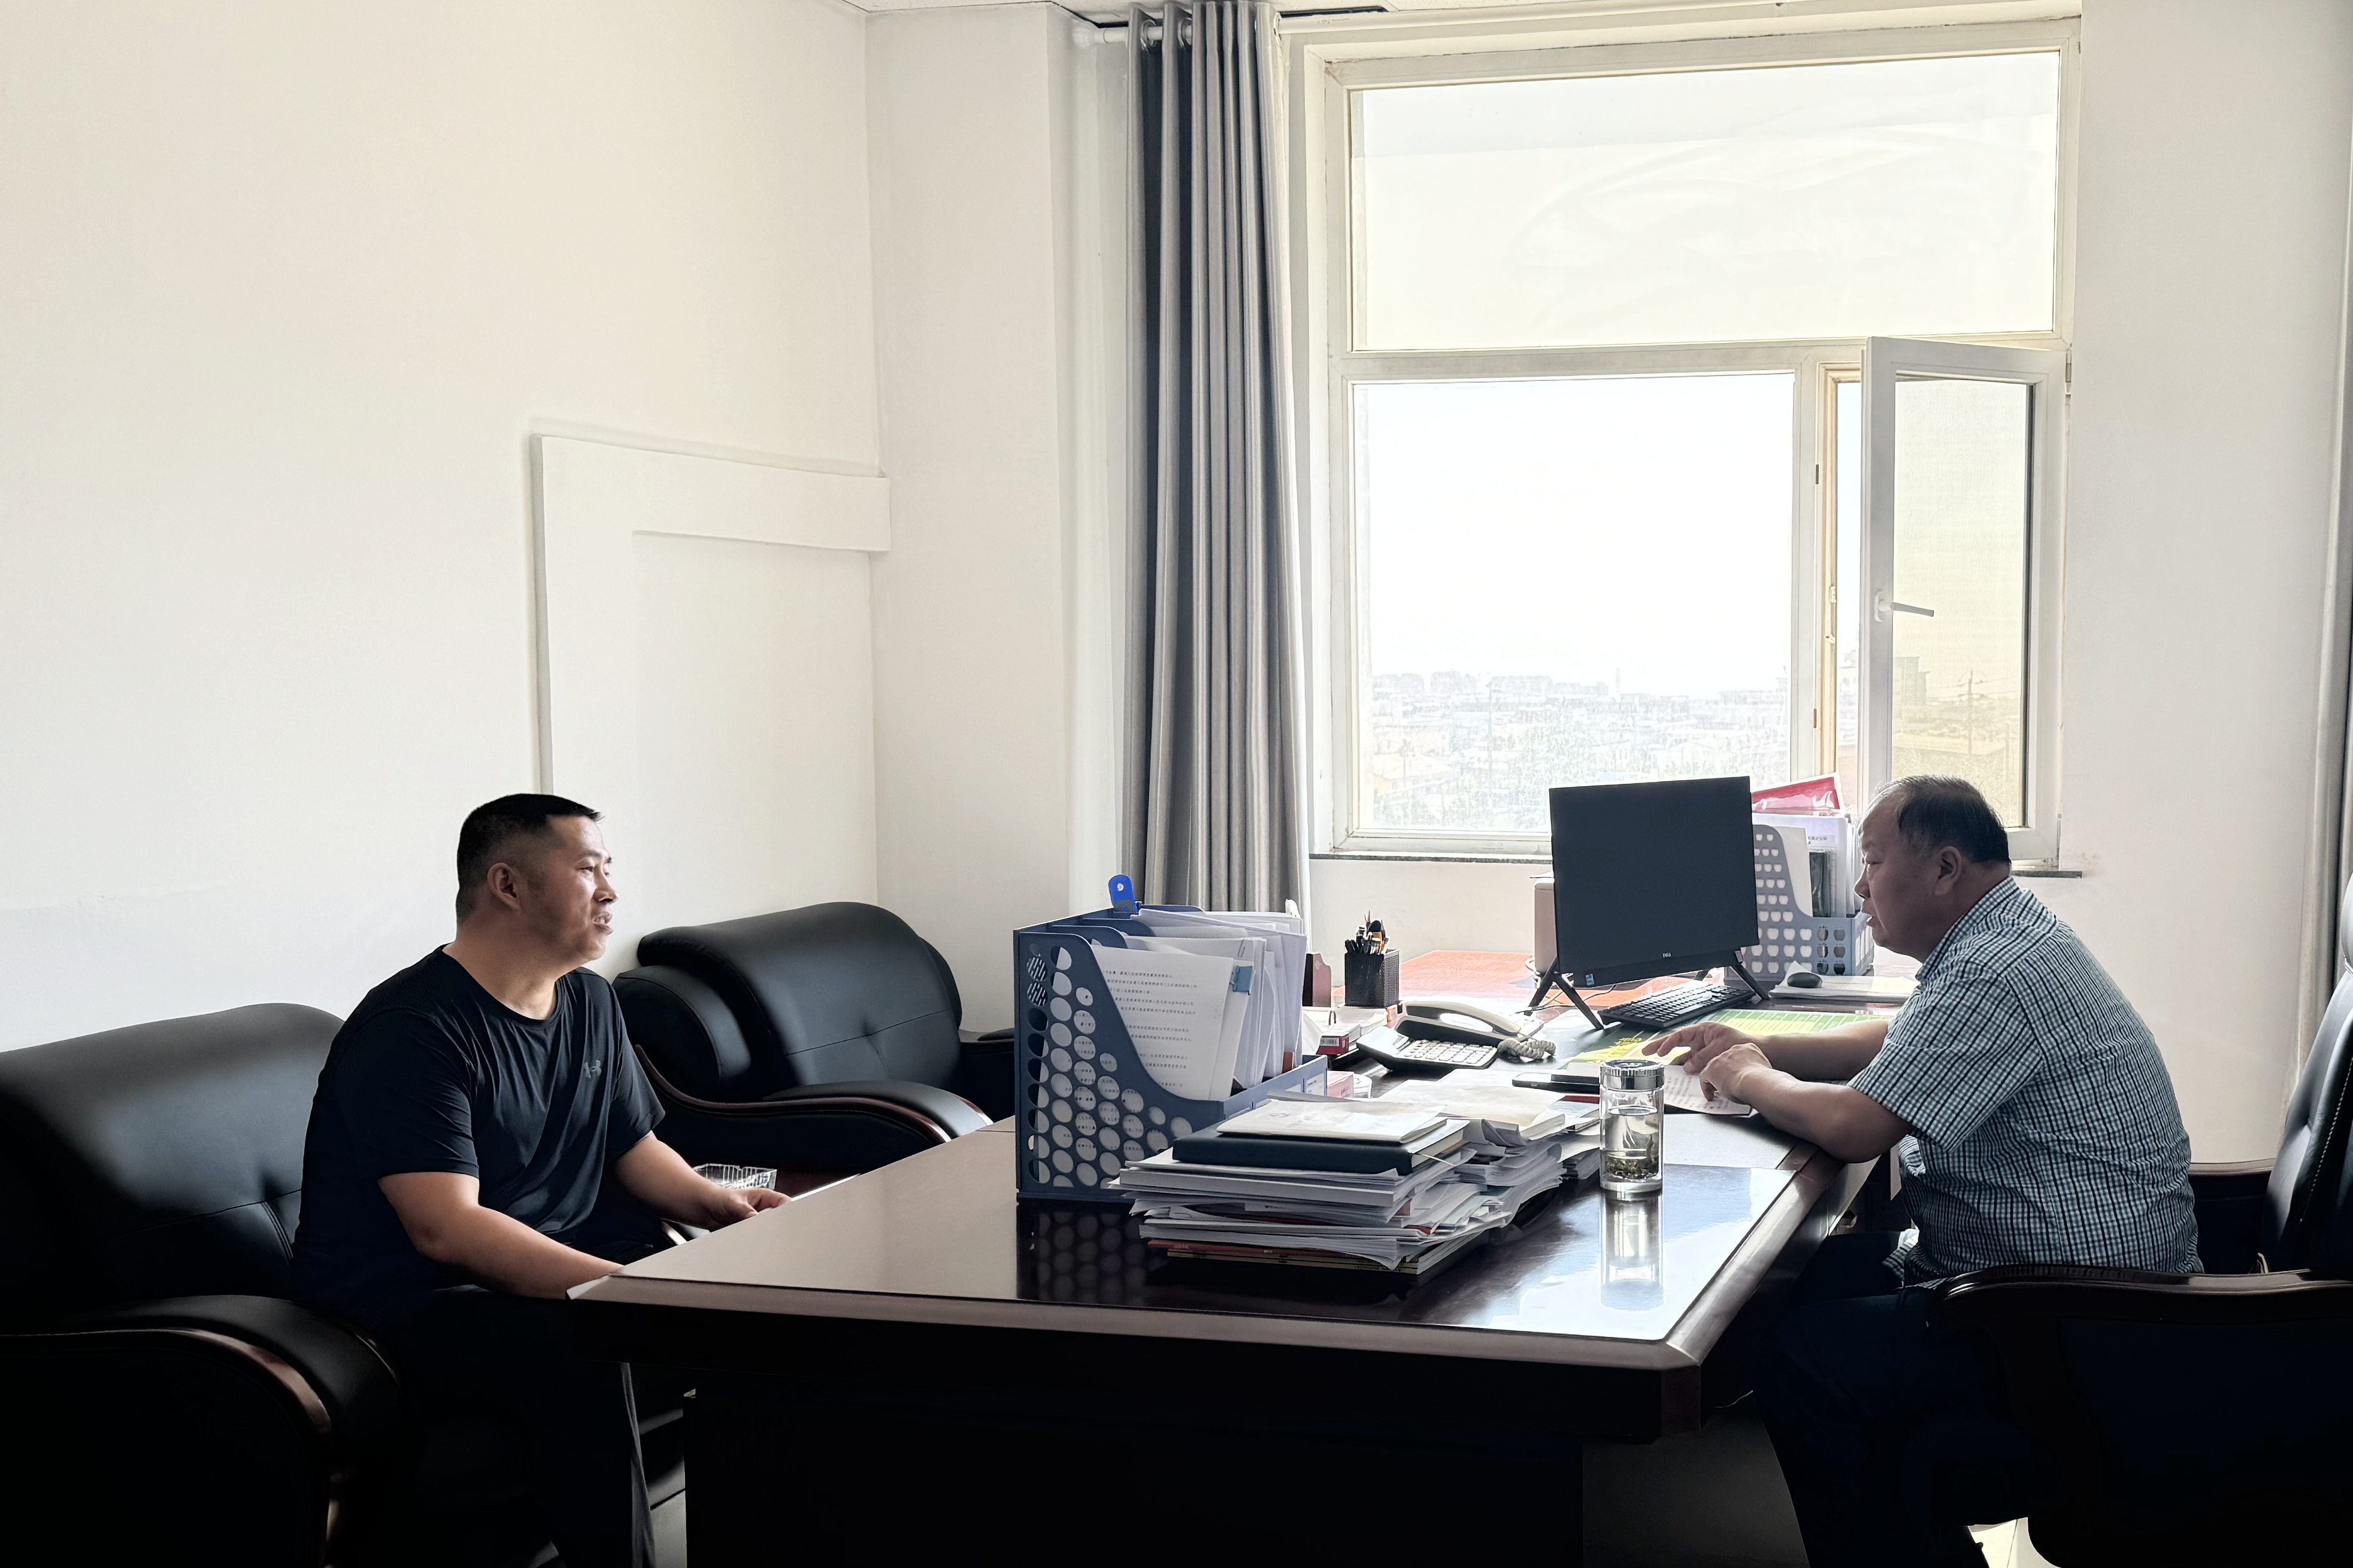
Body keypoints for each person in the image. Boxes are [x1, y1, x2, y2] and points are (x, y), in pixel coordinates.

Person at [1646, 775, 2197, 1567]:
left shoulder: (1994, 969)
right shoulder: (2003, 935)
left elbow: (1855, 1129)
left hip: (2073, 1316)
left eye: (1871, 861)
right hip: (2056, 1279)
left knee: (1802, 1358)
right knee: (1802, 1279)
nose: (1859, 886)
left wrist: (1749, 1079)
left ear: (1943, 868)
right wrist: (1761, 1046)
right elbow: (1900, 1037)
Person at [293, 793, 786, 1568]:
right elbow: (447, 1228)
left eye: (609, 868)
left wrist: (724, 1210)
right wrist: (623, 1290)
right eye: (589, 870)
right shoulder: (413, 1031)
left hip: (548, 1262)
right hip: (416, 1303)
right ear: (508, 885)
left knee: (762, 1301)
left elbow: (632, 1145)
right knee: (577, 1343)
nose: (611, 891)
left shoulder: (590, 998)